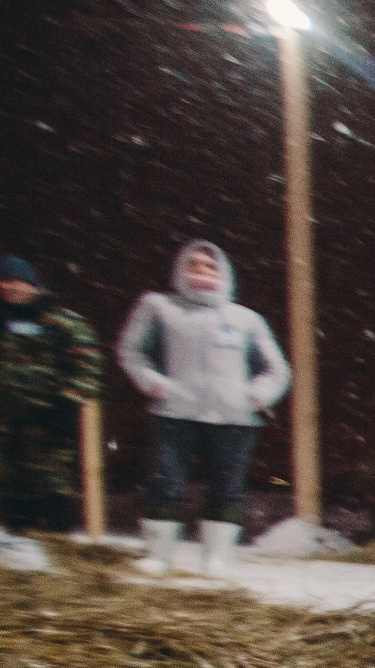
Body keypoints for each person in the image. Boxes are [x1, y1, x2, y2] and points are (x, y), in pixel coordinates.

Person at [114, 241, 291, 577]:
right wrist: (153, 382)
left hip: (235, 417)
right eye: (193, 265)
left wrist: (258, 394)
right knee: (166, 481)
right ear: (181, 270)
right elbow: (130, 350)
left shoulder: (246, 319)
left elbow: (278, 369)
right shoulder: (160, 307)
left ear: (224, 272)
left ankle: (217, 559)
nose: (202, 272)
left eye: (210, 266)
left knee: (227, 486)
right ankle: (159, 556)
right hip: (175, 411)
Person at [0, 257, 102, 542]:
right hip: (7, 430)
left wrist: (66, 404)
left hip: (49, 430)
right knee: (11, 495)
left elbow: (88, 367)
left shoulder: (62, 322)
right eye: (4, 280)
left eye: (16, 280)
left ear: (32, 284)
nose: (9, 287)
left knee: (53, 492)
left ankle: (56, 549)